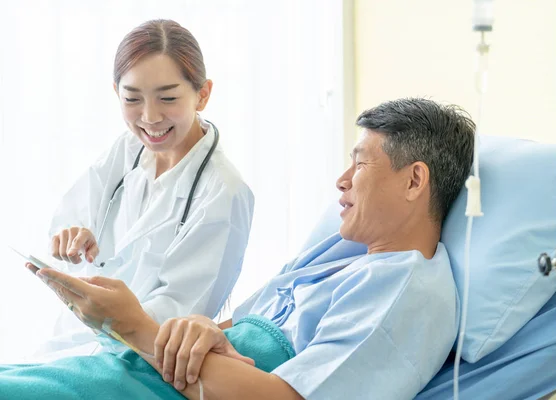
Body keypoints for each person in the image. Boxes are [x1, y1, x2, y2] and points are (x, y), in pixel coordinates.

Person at [9, 97, 475, 400]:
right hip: (166, 367)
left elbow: (284, 398)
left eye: (360, 164)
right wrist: (197, 329)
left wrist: (130, 325)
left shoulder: (408, 292)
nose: (342, 180)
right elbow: (236, 328)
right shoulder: (345, 252)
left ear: (415, 179)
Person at [28, 19, 255, 362]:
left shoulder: (225, 193)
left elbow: (177, 319)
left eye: (168, 98)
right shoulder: (127, 149)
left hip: (136, 363)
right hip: (73, 342)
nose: (149, 118)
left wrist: (116, 311)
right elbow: (70, 223)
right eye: (132, 98)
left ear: (203, 94)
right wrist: (72, 242)